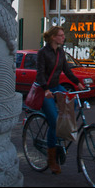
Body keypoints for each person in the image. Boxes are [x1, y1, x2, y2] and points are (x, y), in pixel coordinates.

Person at [36, 26, 84, 174]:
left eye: (63, 35)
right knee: (53, 122)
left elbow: (67, 71)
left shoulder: (61, 52)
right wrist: (46, 90)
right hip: (44, 90)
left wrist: (77, 82)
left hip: (56, 86)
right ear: (53, 37)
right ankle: (52, 160)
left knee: (74, 102)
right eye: (61, 35)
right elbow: (40, 73)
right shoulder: (43, 53)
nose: (63, 37)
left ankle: (62, 130)